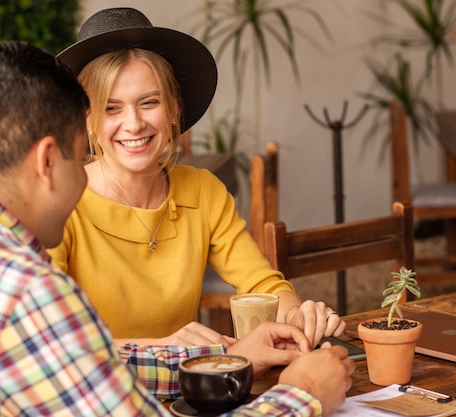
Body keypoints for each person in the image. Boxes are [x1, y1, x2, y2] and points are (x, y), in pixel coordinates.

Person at [0, 40, 355, 416]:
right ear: (46, 162)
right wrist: (305, 394)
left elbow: (72, 361)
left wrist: (227, 358)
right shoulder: (25, 292)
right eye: (81, 155)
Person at [51, 7, 346, 348]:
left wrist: (297, 315)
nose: (133, 124)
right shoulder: (59, 205)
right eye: (111, 108)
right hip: (97, 393)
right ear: (86, 119)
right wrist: (163, 347)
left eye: (149, 102)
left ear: (174, 107)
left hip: (188, 390)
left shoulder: (203, 190)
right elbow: (51, 344)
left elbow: (263, 285)